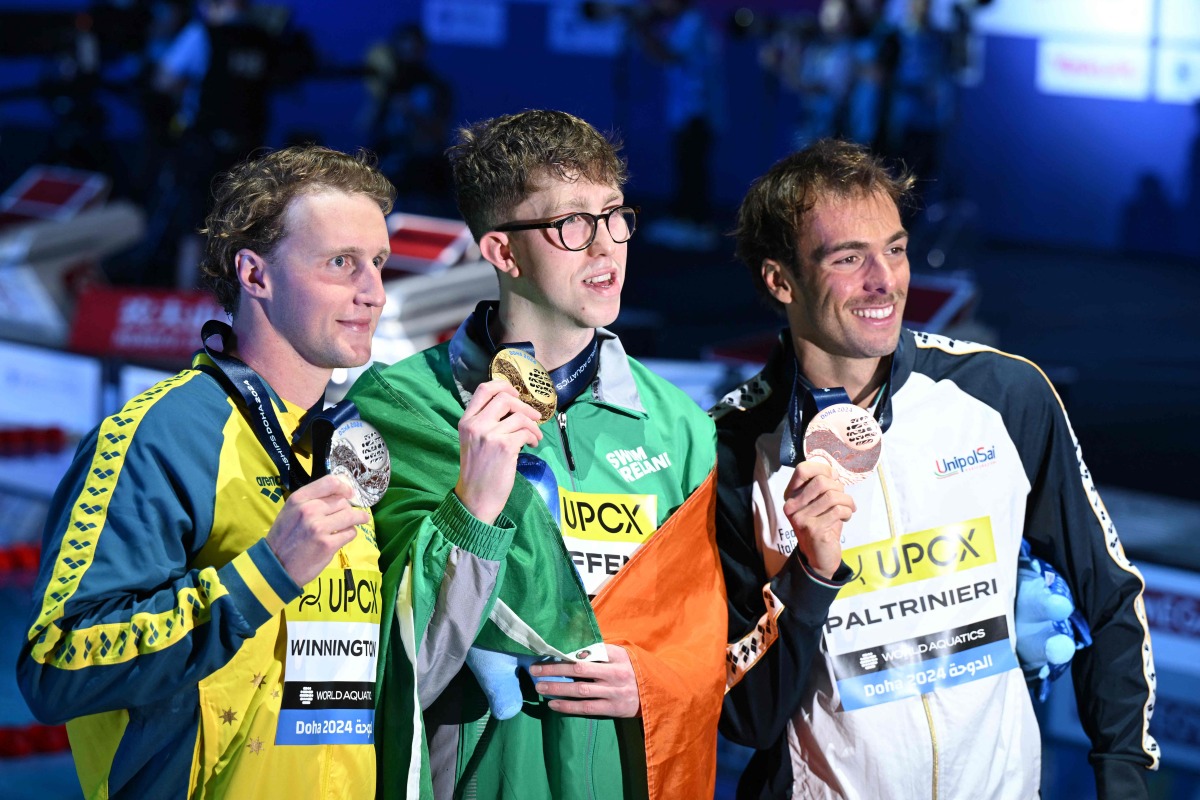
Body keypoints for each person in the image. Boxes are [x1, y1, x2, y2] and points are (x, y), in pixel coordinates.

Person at [713, 138, 1159, 799]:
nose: (884, 280)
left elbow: (1111, 597)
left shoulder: (1004, 396)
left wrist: (1125, 778)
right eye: (848, 258)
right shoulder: (729, 446)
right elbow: (746, 716)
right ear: (781, 280)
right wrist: (811, 577)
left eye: (894, 249)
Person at [346, 109, 726, 799]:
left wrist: (651, 681)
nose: (605, 248)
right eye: (571, 225)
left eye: (614, 216)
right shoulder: (399, 408)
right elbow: (391, 663)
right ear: (501, 253)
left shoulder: (680, 428)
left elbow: (701, 642)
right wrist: (474, 508)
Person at [17, 145, 395, 799]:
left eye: (378, 264)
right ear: (256, 275)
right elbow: (56, 664)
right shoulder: (163, 435)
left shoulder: (345, 441)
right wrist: (262, 575)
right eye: (342, 263)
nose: (373, 292)